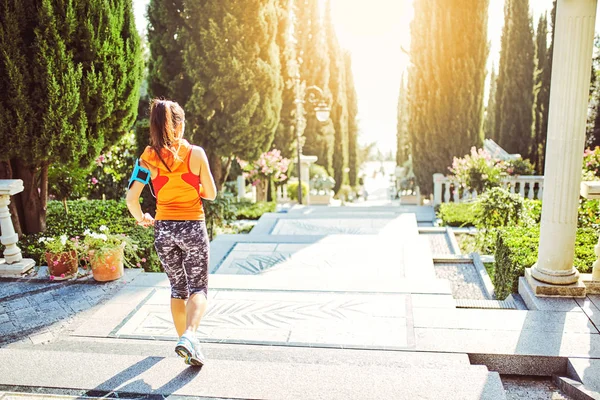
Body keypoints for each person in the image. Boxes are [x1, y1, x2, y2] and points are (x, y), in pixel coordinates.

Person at [126, 99, 217, 367]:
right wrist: (194, 189)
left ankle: (187, 345)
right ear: (180, 124)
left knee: (178, 289)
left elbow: (132, 199)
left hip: (164, 229)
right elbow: (210, 194)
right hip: (192, 227)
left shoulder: (147, 158)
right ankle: (189, 336)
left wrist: (141, 217)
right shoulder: (196, 154)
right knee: (198, 287)